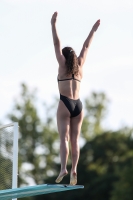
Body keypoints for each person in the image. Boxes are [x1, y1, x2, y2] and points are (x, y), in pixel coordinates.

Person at [51, 12, 100, 185]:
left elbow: (57, 43)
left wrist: (53, 24)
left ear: (64, 57)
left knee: (63, 138)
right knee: (75, 140)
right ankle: (74, 169)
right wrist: (93, 30)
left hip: (65, 103)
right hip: (78, 106)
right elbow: (86, 47)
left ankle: (64, 167)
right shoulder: (80, 65)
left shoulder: (62, 65)